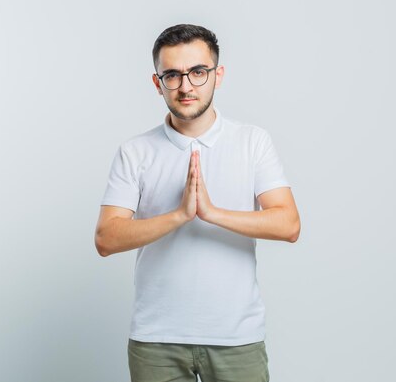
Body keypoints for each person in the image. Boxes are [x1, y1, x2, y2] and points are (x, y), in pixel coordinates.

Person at [95, 24, 300, 382]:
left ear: (217, 75)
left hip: (237, 337)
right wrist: (178, 215)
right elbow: (106, 239)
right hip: (156, 340)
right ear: (157, 83)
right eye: (172, 75)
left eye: (197, 72)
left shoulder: (253, 141)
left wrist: (211, 213)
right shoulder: (135, 151)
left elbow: (289, 225)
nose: (186, 86)